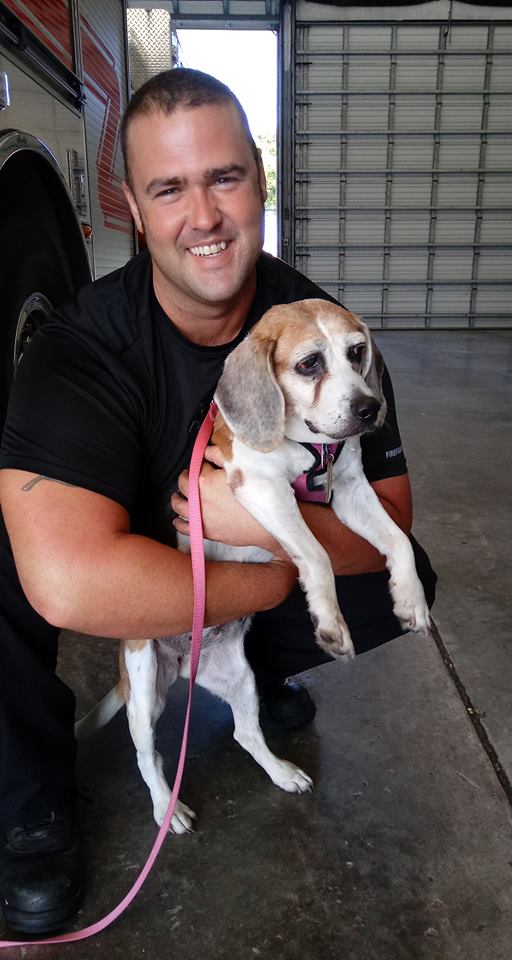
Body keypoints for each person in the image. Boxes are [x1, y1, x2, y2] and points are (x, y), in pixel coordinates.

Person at [0, 68, 436, 935]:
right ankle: (28, 795)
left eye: (225, 178)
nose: (203, 218)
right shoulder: (80, 348)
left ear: (259, 183)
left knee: (406, 576)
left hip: (238, 556)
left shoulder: (319, 326)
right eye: (170, 188)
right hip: (135, 566)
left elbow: (390, 507)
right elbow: (69, 585)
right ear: (132, 203)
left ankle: (260, 669)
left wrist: (259, 538)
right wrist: (278, 571)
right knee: (7, 556)